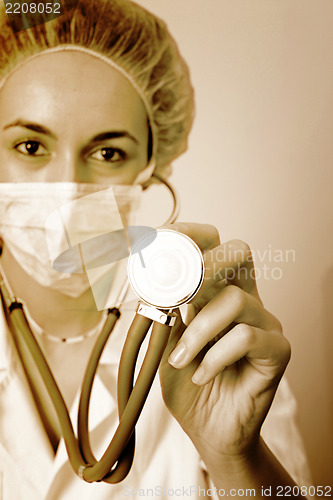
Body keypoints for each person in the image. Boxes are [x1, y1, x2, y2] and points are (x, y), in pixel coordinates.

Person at [0, 0, 312, 498]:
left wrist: (237, 459)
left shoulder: (214, 338)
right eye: (30, 146)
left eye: (108, 153)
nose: (66, 188)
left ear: (151, 167)